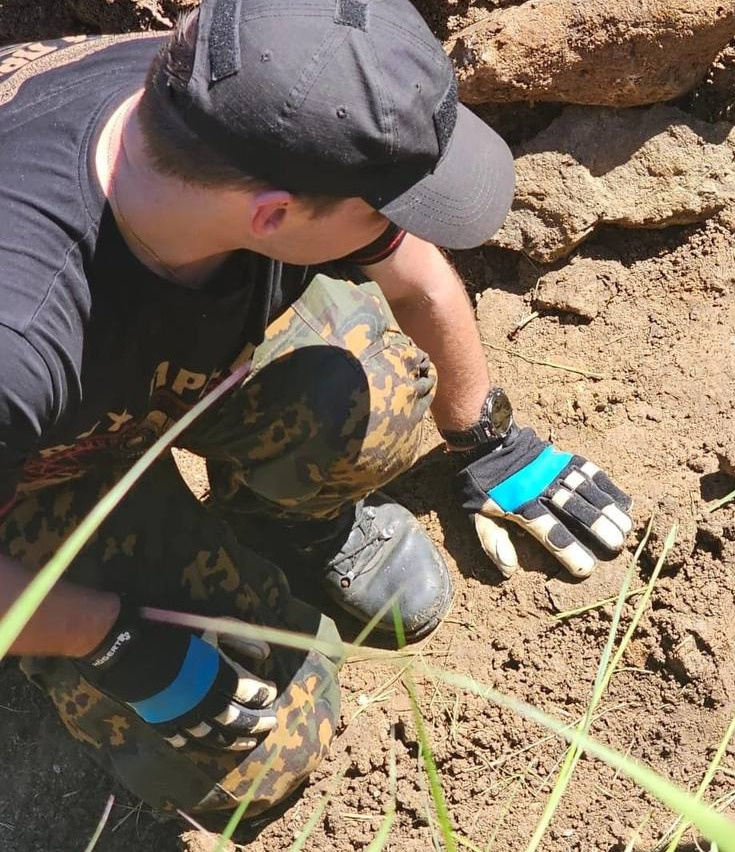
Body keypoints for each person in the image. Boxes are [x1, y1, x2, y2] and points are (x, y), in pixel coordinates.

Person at [0, 0, 634, 817]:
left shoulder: (238, 95)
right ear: (273, 215)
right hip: (31, 468)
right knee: (250, 763)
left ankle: (283, 527)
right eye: (385, 206)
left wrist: (488, 435)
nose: (398, 227)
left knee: (379, 399)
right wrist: (106, 636)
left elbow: (413, 270)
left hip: (117, 364)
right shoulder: (22, 331)